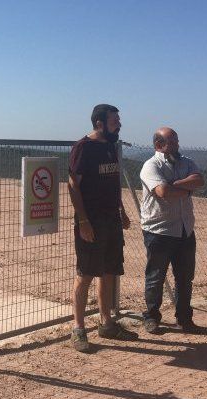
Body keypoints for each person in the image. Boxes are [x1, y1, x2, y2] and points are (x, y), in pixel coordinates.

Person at [68, 104, 137, 352]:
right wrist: (83, 221)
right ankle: (78, 329)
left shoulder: (110, 146)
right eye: (114, 121)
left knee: (108, 272)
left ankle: (106, 323)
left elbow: (113, 183)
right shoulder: (83, 148)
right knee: (85, 274)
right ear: (100, 123)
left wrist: (122, 210)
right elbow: (73, 185)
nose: (119, 124)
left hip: (111, 220)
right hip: (91, 221)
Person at [138, 127, 204, 334]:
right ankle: (151, 317)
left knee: (185, 278)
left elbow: (200, 180)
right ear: (159, 145)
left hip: (185, 229)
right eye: (172, 142)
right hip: (159, 230)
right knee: (155, 277)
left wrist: (176, 184)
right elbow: (163, 191)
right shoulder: (151, 166)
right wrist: (187, 189)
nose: (177, 145)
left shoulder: (187, 162)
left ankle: (184, 318)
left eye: (176, 141)